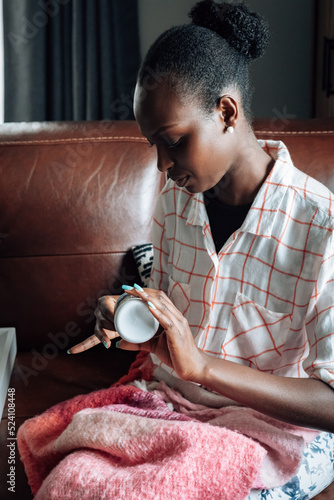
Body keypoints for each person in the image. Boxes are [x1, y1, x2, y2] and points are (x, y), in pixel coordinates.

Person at [69, 1, 334, 497]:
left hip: (272, 430)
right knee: (75, 477)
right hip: (172, 404)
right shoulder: (176, 199)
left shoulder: (322, 227)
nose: (163, 166)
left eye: (173, 141)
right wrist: (128, 313)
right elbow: (165, 309)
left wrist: (205, 367)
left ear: (227, 112)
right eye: (154, 146)